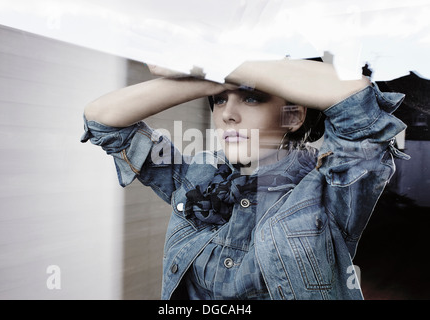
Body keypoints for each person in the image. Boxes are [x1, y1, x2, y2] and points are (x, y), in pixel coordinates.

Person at [81, 58, 409, 300]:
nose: (227, 114)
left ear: (293, 115)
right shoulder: (196, 177)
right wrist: (204, 79)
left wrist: (214, 63)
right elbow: (103, 121)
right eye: (219, 100)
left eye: (251, 98)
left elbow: (356, 101)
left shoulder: (330, 189)